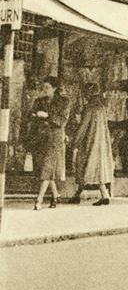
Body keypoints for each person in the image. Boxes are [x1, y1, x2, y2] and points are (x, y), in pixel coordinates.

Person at [29, 76, 71, 209]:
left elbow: (62, 120)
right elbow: (30, 115)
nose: (44, 90)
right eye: (43, 87)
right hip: (40, 138)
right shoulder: (39, 101)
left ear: (54, 88)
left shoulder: (64, 102)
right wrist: (35, 116)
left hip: (55, 138)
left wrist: (46, 116)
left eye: (47, 87)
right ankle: (56, 195)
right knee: (45, 168)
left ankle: (39, 200)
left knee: (47, 167)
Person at [69, 84, 114, 206]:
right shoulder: (102, 107)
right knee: (96, 169)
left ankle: (84, 194)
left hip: (90, 142)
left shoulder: (89, 107)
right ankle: (99, 195)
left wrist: (75, 142)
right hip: (101, 142)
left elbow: (83, 127)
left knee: (84, 166)